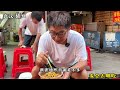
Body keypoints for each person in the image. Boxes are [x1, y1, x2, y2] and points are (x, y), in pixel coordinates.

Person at [31, 11, 88, 79]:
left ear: (69, 29)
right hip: (52, 67)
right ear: (48, 29)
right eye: (52, 33)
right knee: (35, 71)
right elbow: (38, 63)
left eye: (61, 33)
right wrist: (39, 61)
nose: (57, 38)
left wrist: (69, 70)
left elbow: (83, 62)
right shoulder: (44, 38)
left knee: (83, 75)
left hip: (71, 67)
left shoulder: (77, 38)